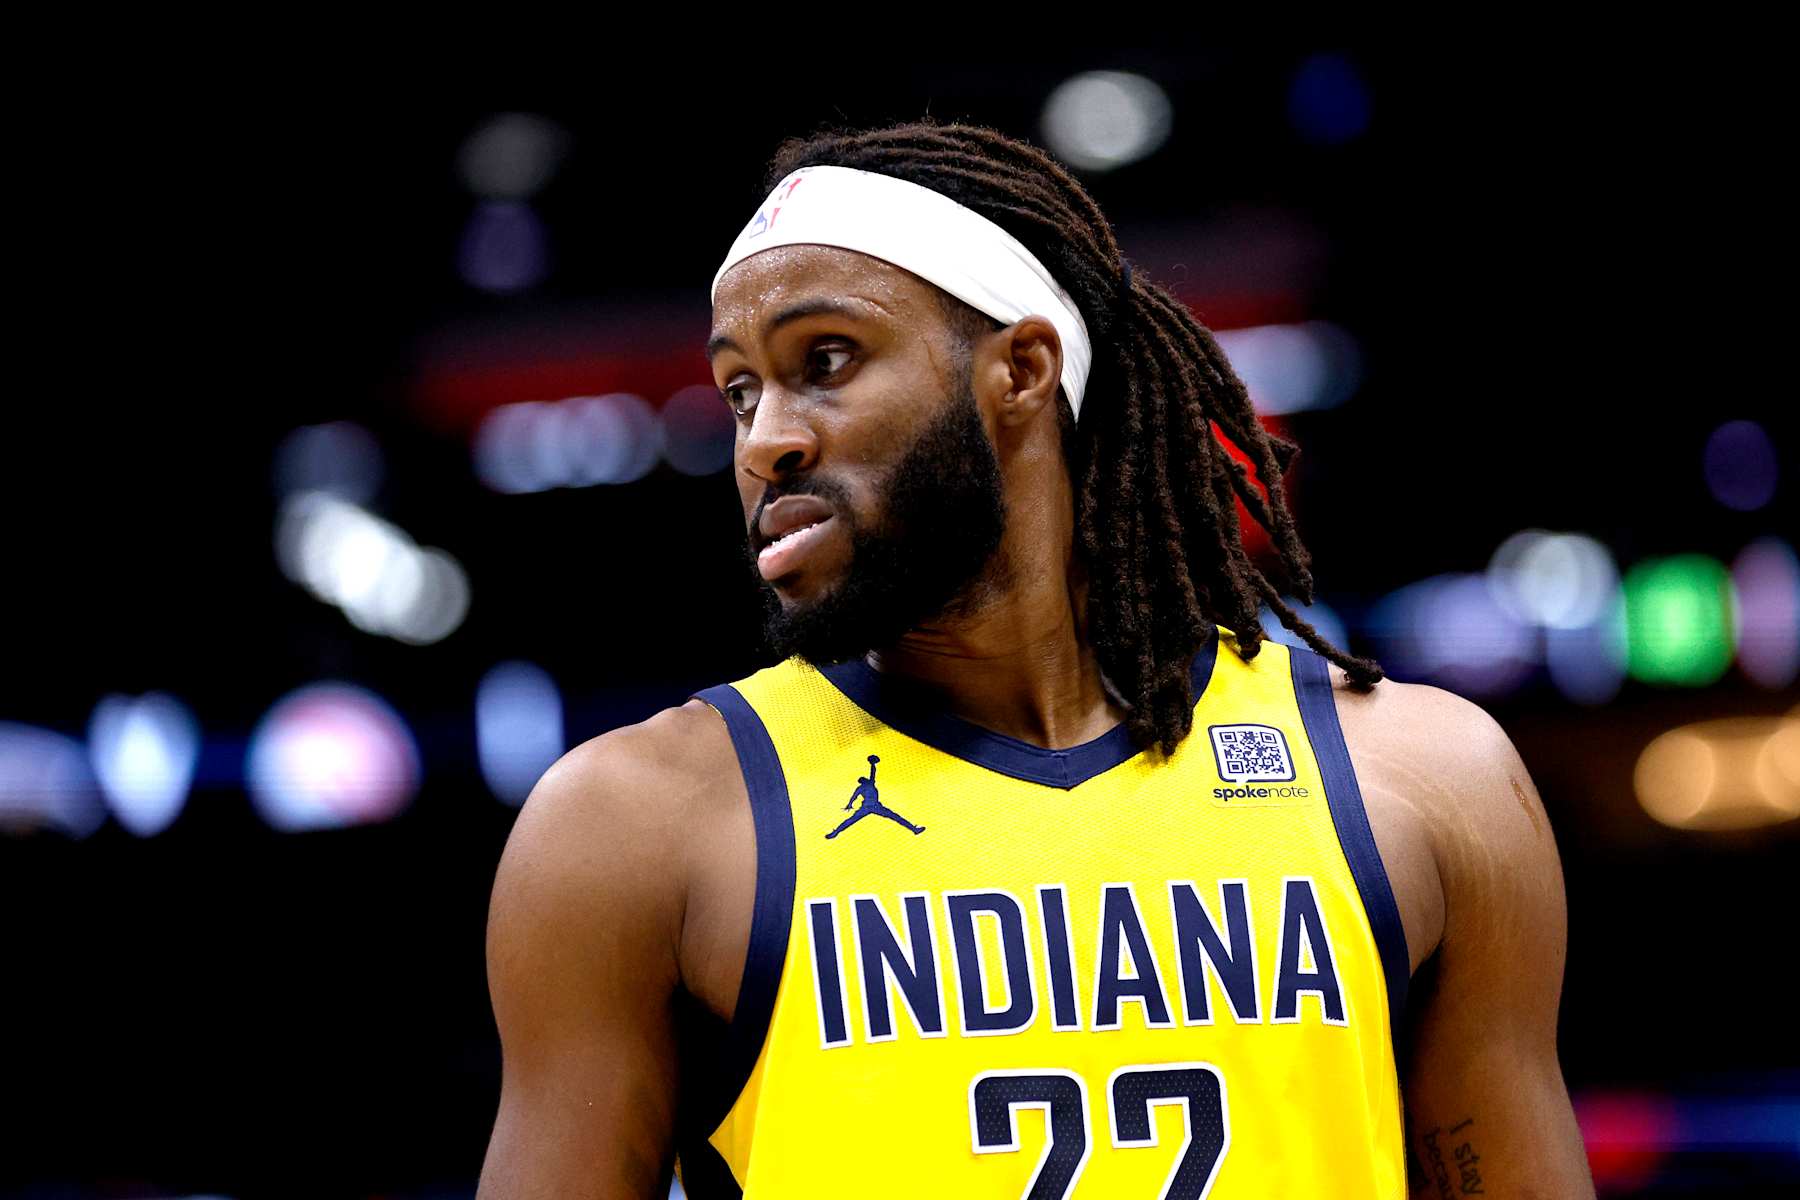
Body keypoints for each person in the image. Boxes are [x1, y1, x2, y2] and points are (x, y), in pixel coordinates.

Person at [475, 120, 1594, 1199]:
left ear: (1020, 370)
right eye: (740, 389)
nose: (766, 439)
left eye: (826, 359)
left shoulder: (1425, 782)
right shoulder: (633, 830)